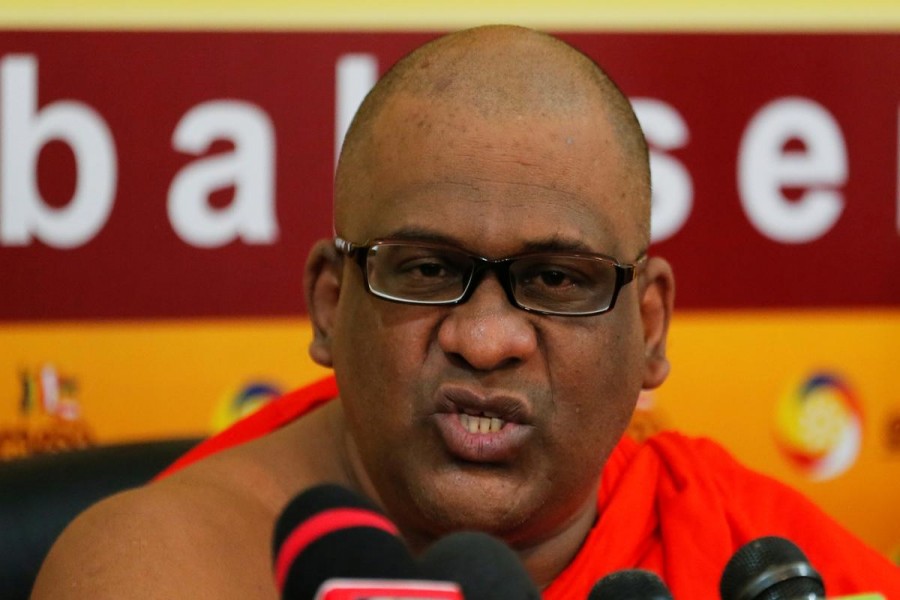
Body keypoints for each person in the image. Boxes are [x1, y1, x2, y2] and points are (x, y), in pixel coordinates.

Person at [32, 25, 900, 599]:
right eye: (426, 269)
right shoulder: (166, 570)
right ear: (330, 306)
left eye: (558, 280)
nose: (485, 341)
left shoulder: (779, 567)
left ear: (650, 329)